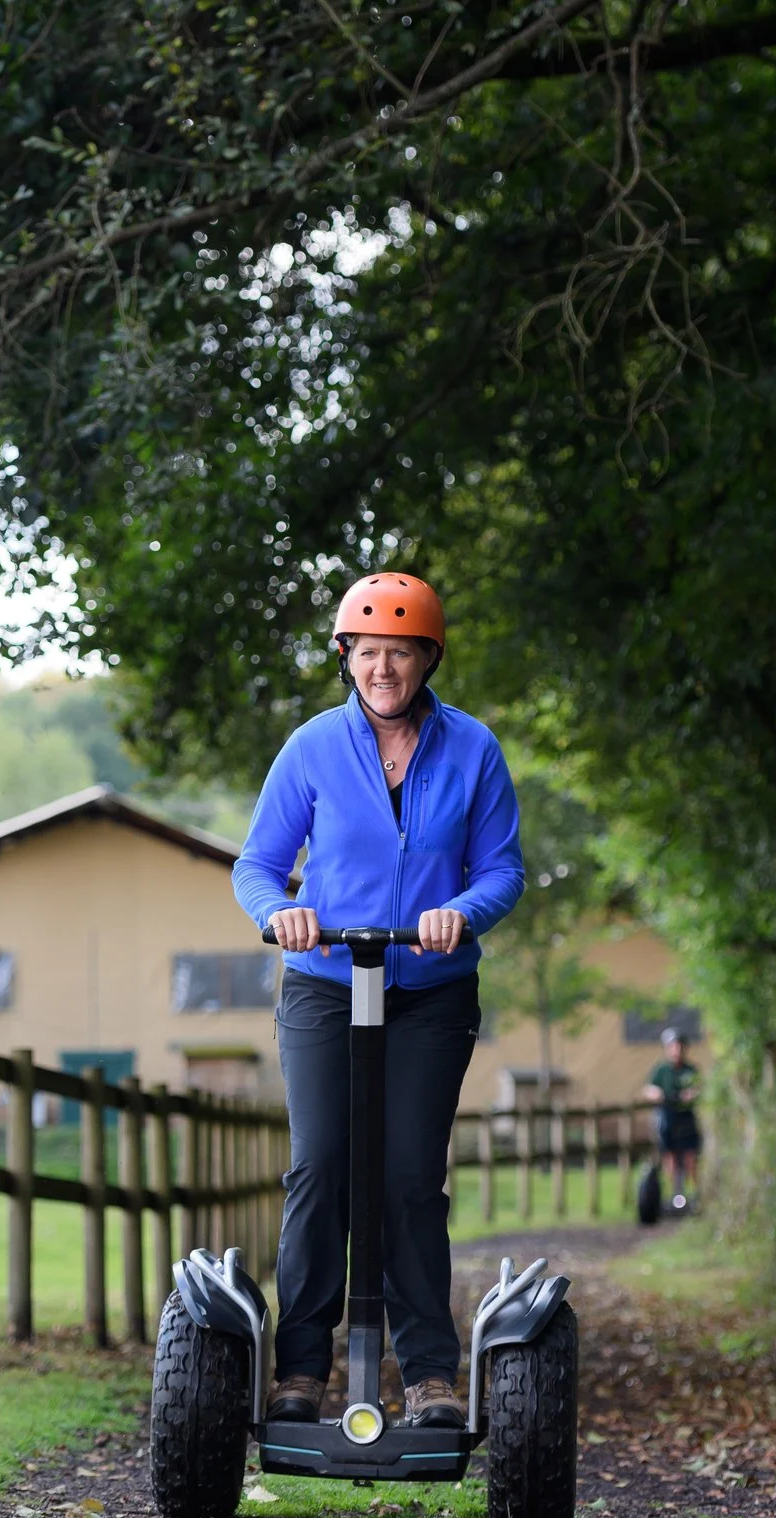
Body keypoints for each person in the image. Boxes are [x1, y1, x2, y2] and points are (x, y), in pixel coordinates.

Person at [231, 572, 525, 1430]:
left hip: (431, 993)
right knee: (321, 1166)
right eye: (368, 652)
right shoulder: (313, 748)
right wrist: (278, 911)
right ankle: (300, 1368)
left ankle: (430, 1372)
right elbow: (256, 862)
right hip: (326, 984)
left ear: (429, 657)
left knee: (406, 1178)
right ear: (345, 657)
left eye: (400, 652)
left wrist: (460, 913)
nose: (383, 668)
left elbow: (502, 868)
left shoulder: (473, 750)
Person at [642, 1028, 701, 1207]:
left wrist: (691, 1094)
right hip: (667, 1118)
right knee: (670, 1155)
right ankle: (676, 1193)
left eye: (680, 1046)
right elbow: (648, 1089)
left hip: (686, 1118)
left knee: (690, 1156)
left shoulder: (690, 1070)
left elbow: (698, 1088)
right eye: (673, 1046)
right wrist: (657, 1094)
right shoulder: (661, 1070)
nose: (677, 1050)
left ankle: (695, 1193)